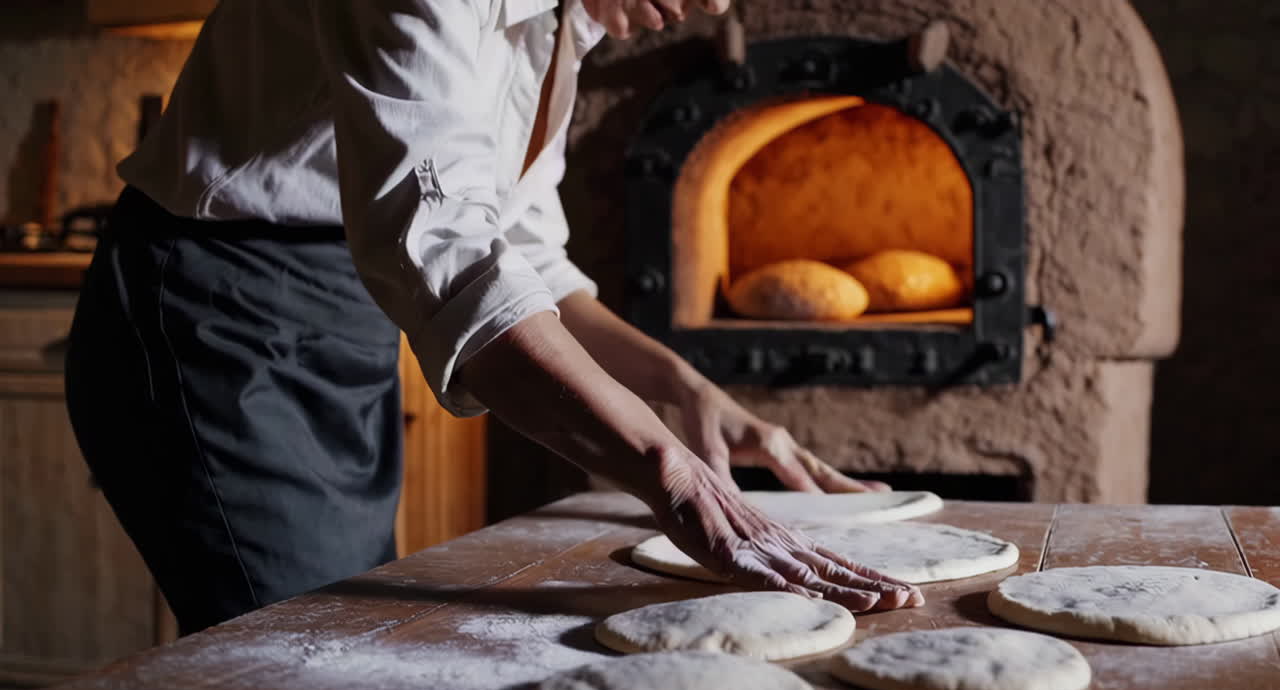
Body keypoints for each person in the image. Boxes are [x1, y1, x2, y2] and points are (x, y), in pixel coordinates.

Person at [64, 0, 924, 635]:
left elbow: (519, 251)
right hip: (216, 316)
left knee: (342, 639)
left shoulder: (559, 22)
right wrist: (672, 475)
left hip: (347, 315)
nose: (711, 8)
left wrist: (684, 387)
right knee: (301, 650)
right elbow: (450, 262)